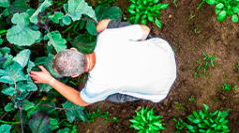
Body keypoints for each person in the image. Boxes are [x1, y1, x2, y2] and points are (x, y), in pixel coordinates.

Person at [29, 19, 177, 106]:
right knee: (102, 26)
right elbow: (145, 30)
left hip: (159, 89)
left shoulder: (95, 87)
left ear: (75, 75)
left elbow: (81, 101)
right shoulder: (107, 38)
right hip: (165, 53)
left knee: (108, 95)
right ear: (74, 50)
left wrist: (50, 80)